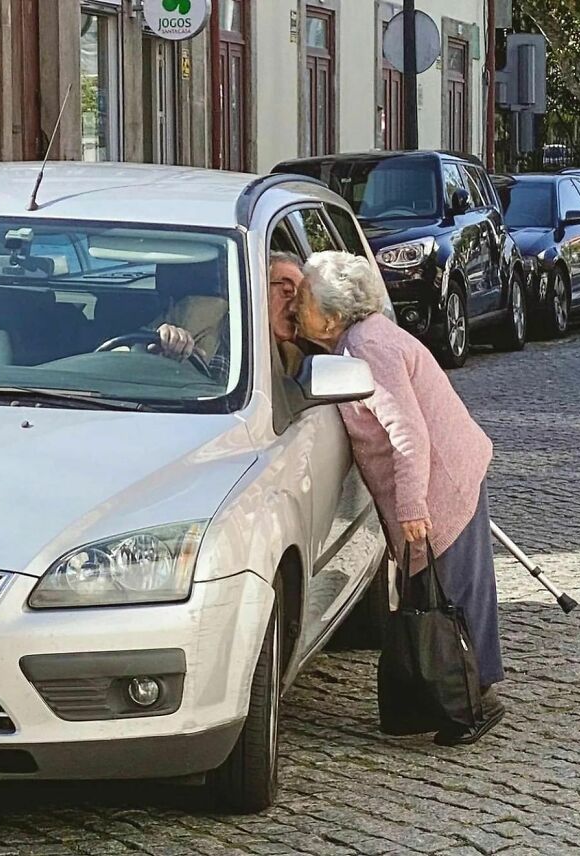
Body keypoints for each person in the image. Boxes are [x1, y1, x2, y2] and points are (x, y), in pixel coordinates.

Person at [296, 249, 505, 746]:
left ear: (329, 315)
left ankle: (473, 702)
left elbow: (407, 431)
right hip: (439, 481)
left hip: (441, 486)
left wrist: (412, 508)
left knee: (449, 597)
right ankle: (457, 696)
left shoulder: (369, 346)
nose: (292, 306)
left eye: (301, 297)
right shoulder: (350, 343)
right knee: (441, 595)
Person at [154, 251, 306, 379]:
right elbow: (135, 350)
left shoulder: (295, 362)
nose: (295, 308)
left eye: (301, 300)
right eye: (287, 291)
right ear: (254, 285)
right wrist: (165, 339)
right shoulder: (195, 311)